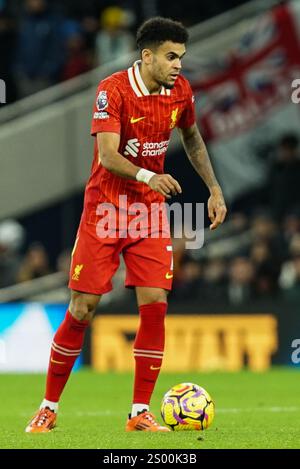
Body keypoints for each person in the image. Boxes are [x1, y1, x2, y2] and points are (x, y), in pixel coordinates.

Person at [25, 16, 227, 434]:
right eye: (171, 57)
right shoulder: (112, 90)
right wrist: (149, 175)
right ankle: (48, 407)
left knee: (155, 304)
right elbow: (109, 154)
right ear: (147, 55)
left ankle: (139, 412)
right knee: (83, 309)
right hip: (106, 210)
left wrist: (213, 188)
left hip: (149, 213)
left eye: (182, 58)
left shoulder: (180, 91)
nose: (179, 66)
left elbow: (191, 136)